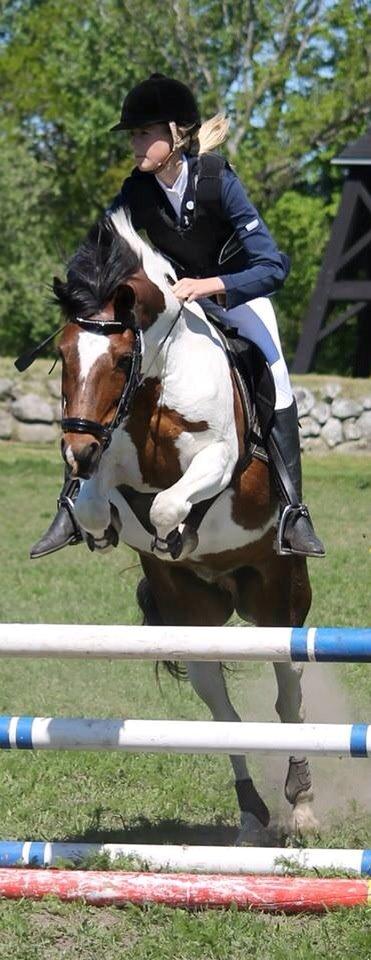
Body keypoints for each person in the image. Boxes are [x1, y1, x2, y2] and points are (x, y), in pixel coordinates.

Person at [31, 73, 324, 560]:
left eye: (143, 133)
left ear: (175, 134)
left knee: (277, 374)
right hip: (173, 303)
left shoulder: (216, 181)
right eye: (132, 135)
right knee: (102, 366)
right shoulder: (138, 190)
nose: (134, 144)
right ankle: (70, 504)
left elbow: (272, 266)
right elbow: (93, 248)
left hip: (234, 295)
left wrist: (210, 285)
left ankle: (293, 511)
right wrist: (83, 301)